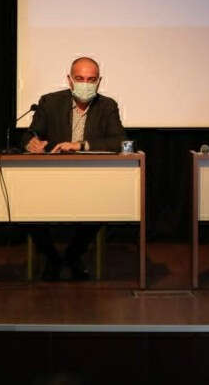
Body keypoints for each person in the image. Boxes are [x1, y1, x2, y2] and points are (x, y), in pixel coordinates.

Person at [21, 56, 126, 280]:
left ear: (99, 81)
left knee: (104, 207)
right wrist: (31, 142)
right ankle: (52, 258)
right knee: (24, 207)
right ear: (69, 80)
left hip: (91, 181)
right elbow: (30, 134)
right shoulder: (49, 102)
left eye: (91, 80)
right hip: (50, 179)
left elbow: (119, 141)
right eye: (80, 79)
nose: (85, 84)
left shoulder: (107, 106)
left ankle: (71, 256)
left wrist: (80, 145)